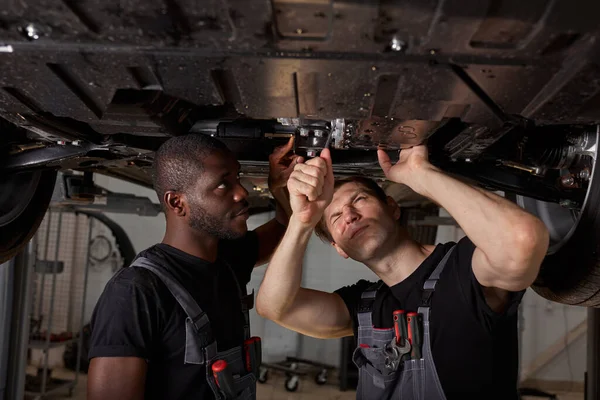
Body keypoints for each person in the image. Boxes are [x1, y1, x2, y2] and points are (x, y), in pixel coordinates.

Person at [256, 146, 549, 400]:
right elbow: (274, 306)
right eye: (334, 216)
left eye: (358, 200)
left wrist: (421, 174)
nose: (349, 215)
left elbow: (522, 241)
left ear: (393, 208)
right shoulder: (363, 306)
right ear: (340, 247)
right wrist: (302, 221)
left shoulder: (463, 267)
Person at [87, 134, 299, 400]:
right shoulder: (134, 293)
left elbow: (283, 223)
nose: (242, 192)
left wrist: (278, 187)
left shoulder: (227, 261)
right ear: (177, 203)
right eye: (223, 185)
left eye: (237, 177)